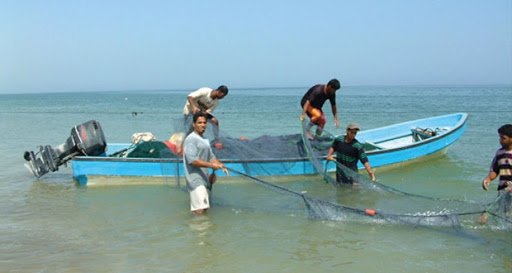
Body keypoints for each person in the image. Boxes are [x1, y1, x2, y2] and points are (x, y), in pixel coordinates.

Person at [183, 112, 229, 215]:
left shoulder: (204, 140)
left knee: (204, 209)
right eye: (199, 123)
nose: (202, 125)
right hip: (195, 180)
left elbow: (211, 157)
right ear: (194, 124)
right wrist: (213, 165)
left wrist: (221, 166)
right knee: (200, 210)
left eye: (204, 123)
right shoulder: (191, 140)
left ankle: (202, 230)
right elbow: (193, 160)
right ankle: (198, 230)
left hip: (204, 179)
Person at [479, 124, 512, 224]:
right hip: (503, 190)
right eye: (500, 137)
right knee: (498, 214)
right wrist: (488, 179)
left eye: (503, 138)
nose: (500, 140)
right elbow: (495, 170)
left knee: (506, 214)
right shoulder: (499, 153)